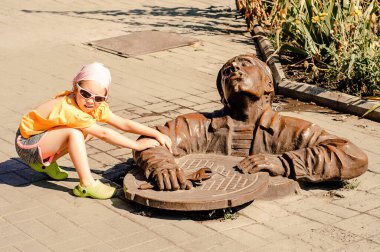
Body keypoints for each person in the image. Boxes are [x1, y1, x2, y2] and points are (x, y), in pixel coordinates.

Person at [133, 54, 368, 191]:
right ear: (223, 96)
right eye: (226, 72)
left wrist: (284, 163)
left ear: (268, 86)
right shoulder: (199, 125)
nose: (234, 68)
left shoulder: (294, 130)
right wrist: (161, 166)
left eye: (245, 64)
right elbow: (149, 141)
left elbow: (352, 156)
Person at [15, 62, 172, 199]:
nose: (90, 101)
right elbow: (104, 134)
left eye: (98, 98)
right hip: (27, 144)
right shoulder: (70, 109)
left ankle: (47, 163)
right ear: (75, 88)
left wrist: (156, 133)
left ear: (104, 98)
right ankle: (86, 184)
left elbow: (123, 123)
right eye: (85, 94)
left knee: (87, 131)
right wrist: (136, 145)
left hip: (42, 139)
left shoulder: (91, 106)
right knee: (75, 133)